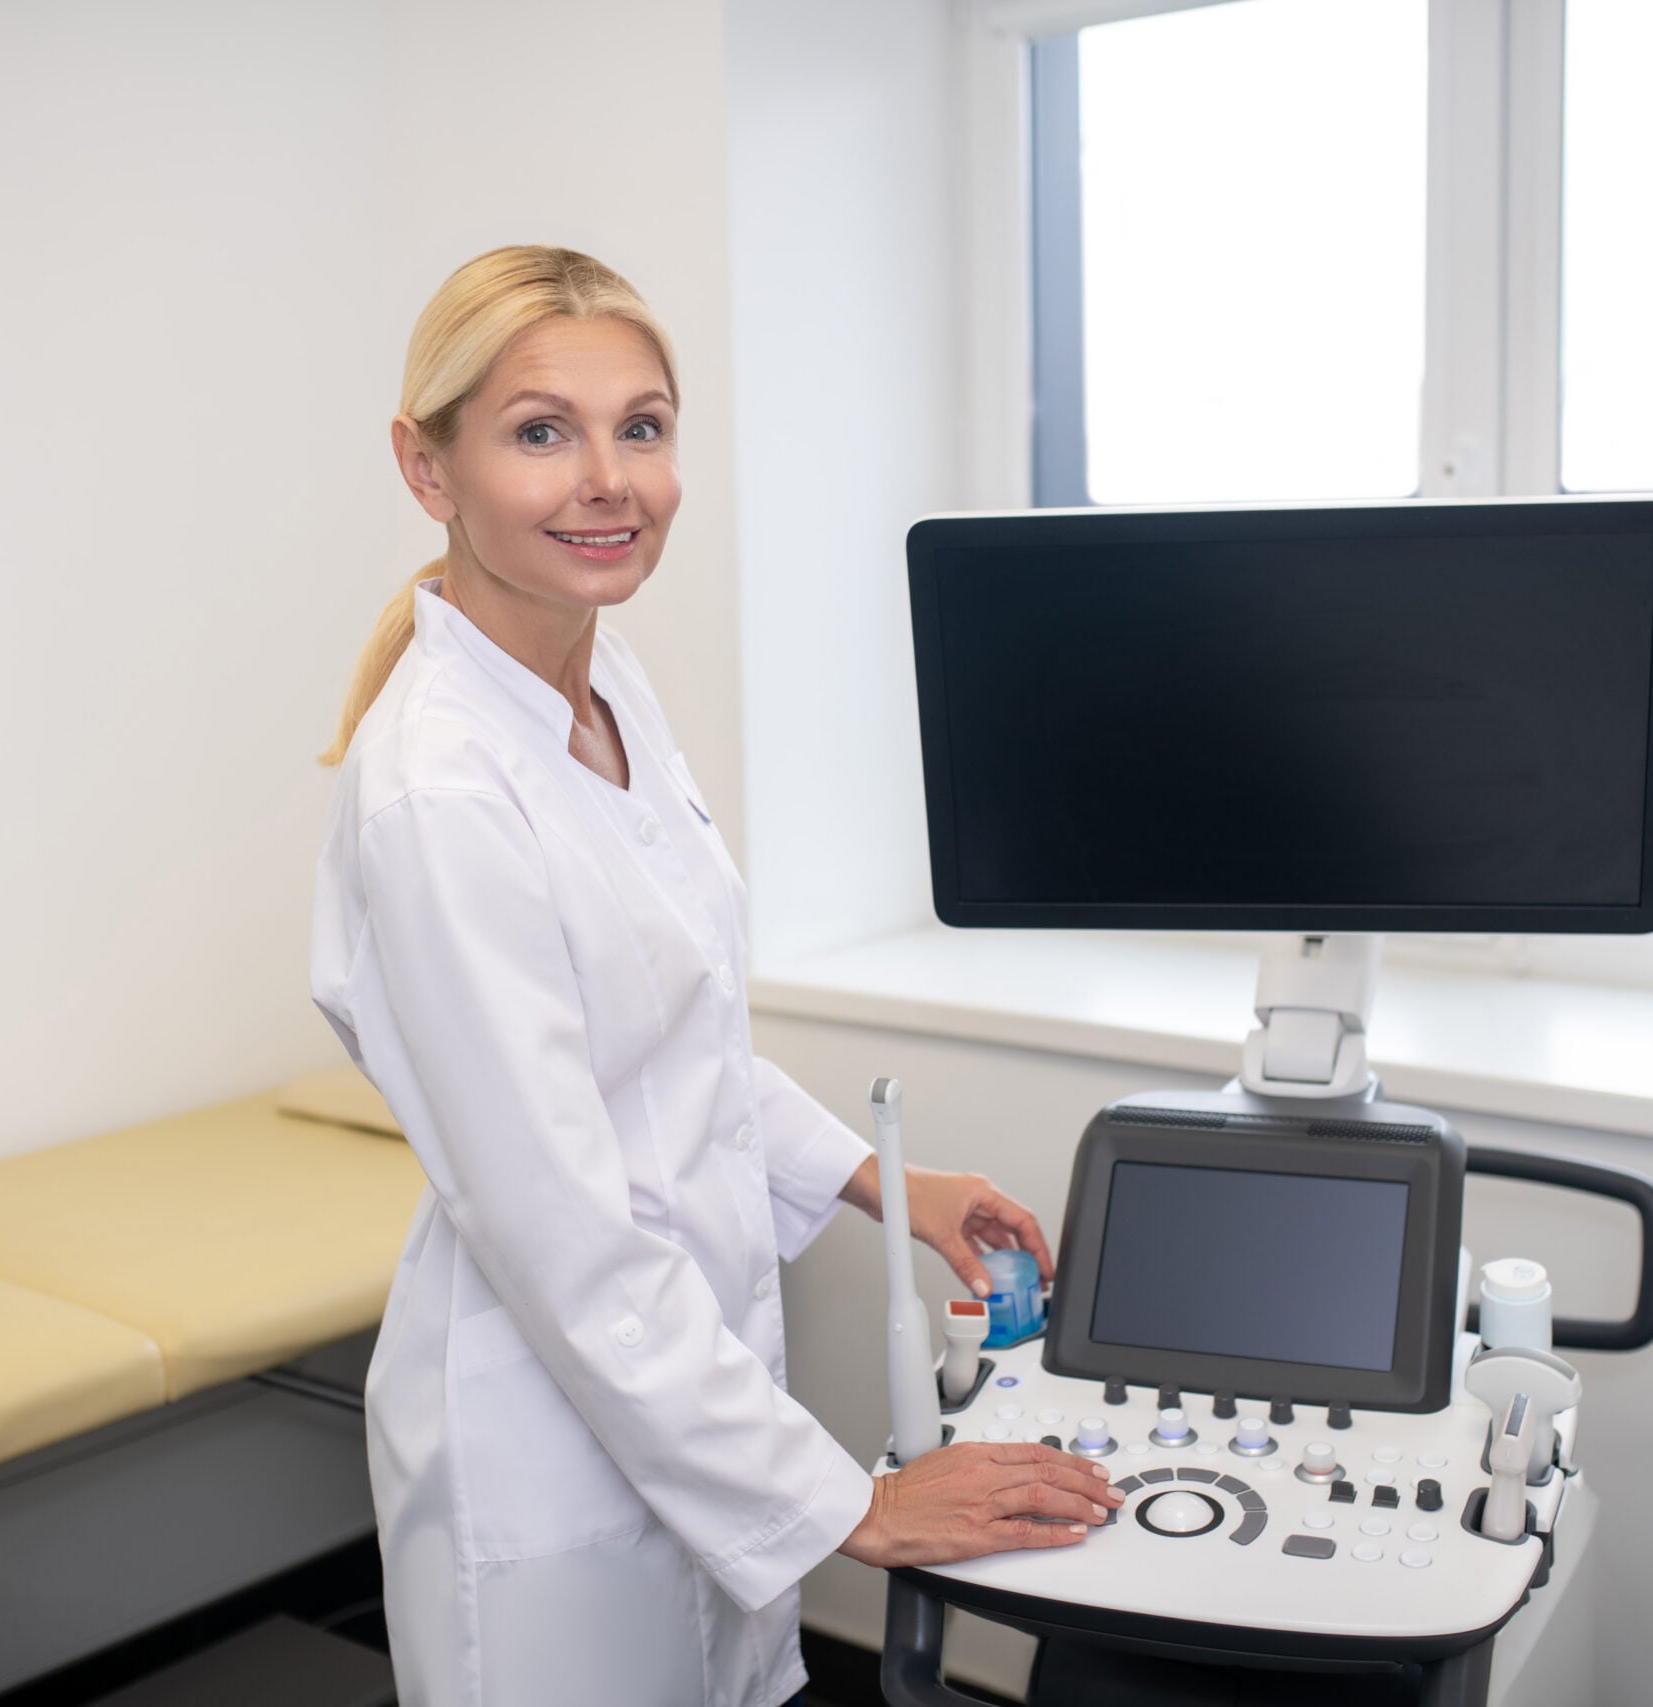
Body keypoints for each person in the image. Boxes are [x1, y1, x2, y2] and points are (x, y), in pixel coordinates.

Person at [308, 247, 1125, 1707]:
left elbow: (666, 1034)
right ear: (427, 470)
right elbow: (562, 1232)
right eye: (540, 431)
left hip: (676, 1381)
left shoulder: (606, 686)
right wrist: (851, 1507)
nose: (608, 478)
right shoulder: (438, 793)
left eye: (645, 425)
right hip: (546, 1433)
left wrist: (891, 1183)